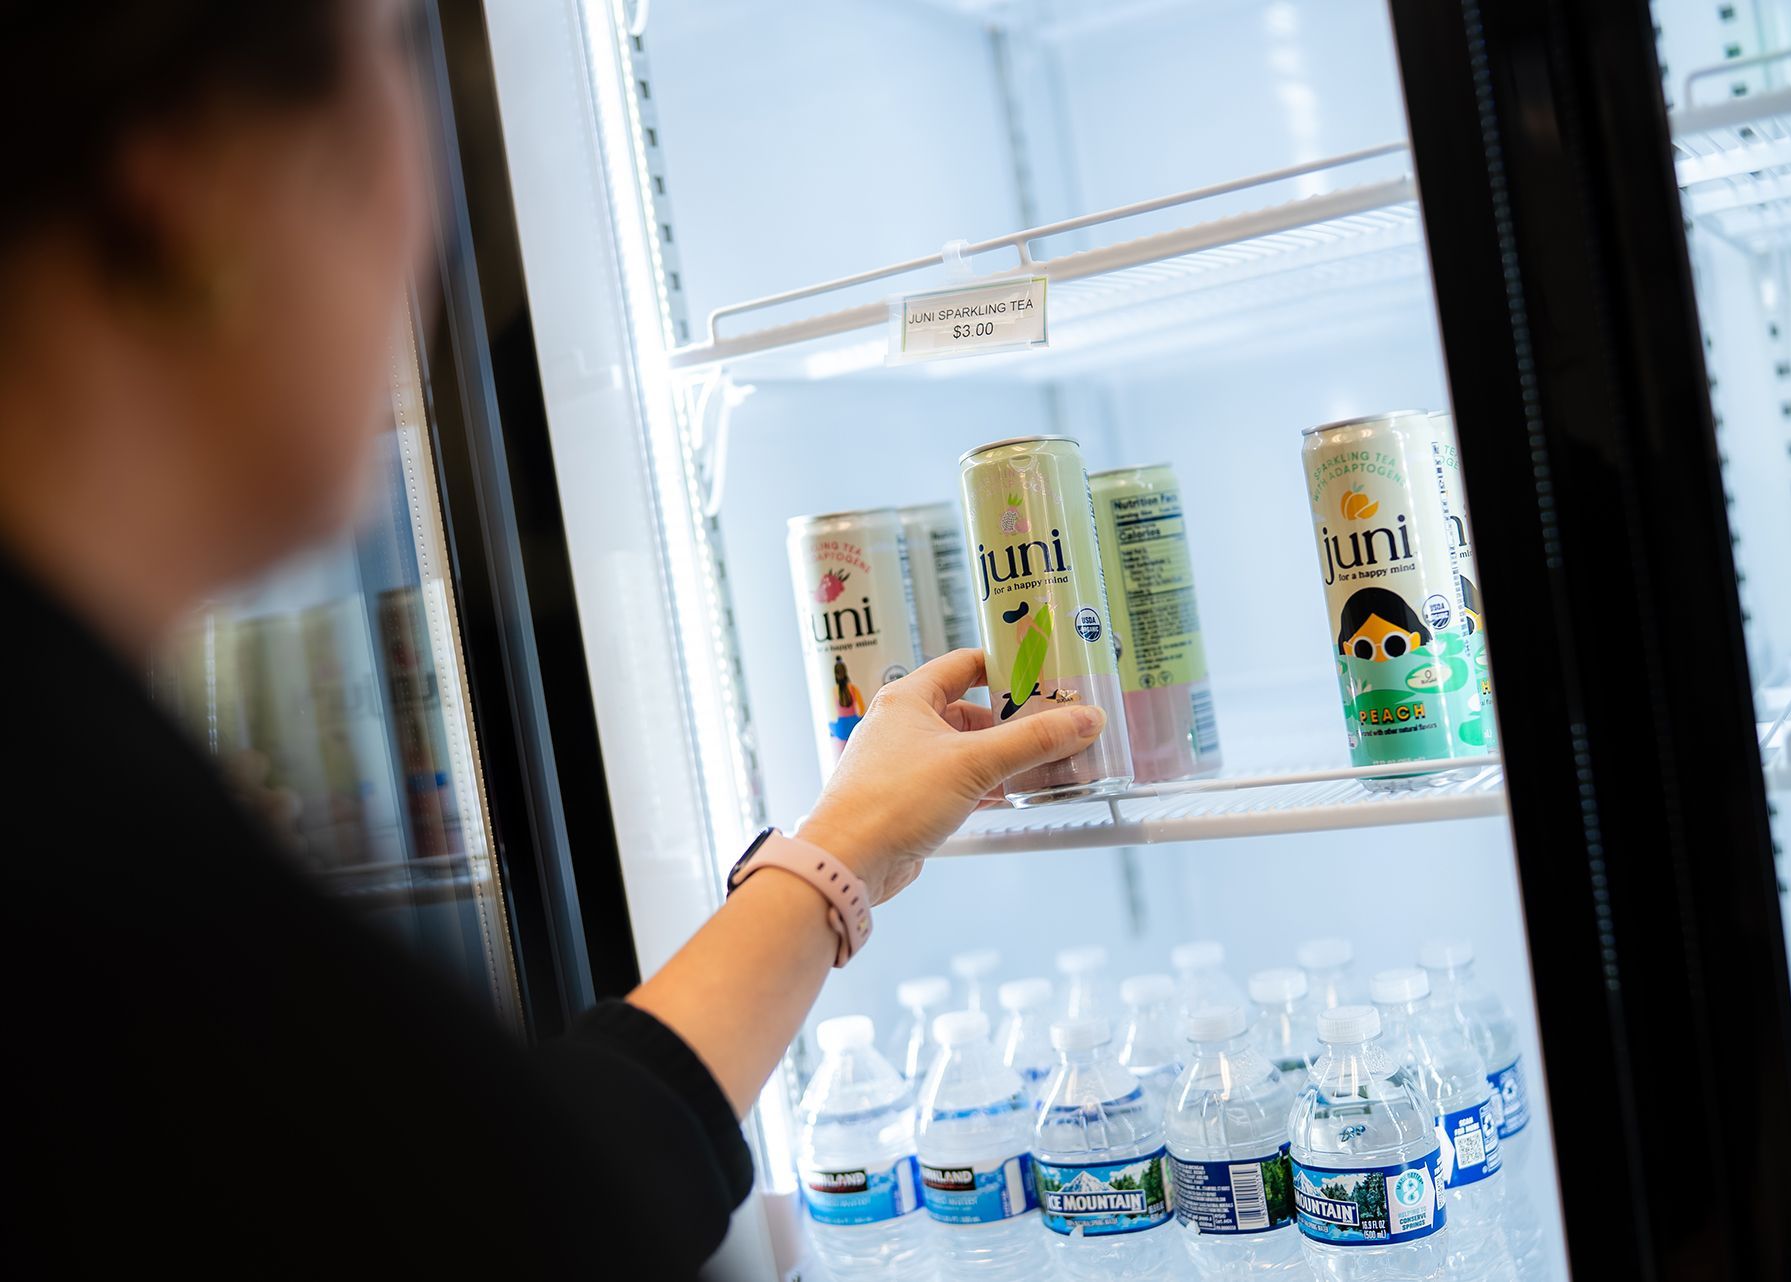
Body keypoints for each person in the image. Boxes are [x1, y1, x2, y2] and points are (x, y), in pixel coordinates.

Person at [0, 2, 1105, 1276]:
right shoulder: (84, 861)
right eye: (400, 73)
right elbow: (516, 1218)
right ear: (187, 185)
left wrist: (843, 848)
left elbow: (534, 1169)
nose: (436, 224)